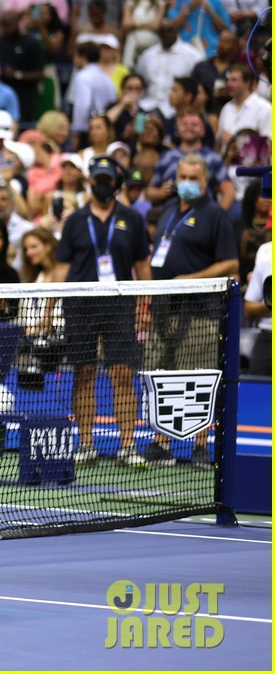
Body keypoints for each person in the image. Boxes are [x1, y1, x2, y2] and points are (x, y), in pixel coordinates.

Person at [52, 156, 151, 467]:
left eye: (108, 180)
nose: (103, 185)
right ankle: (85, 443)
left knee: (122, 374)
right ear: (90, 182)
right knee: (84, 373)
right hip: (79, 304)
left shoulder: (132, 219)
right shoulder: (76, 221)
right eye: (98, 180)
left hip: (120, 303)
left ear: (116, 184)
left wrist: (144, 304)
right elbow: (61, 267)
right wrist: (47, 309)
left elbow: (142, 266)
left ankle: (128, 445)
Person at [143, 155, 239, 467]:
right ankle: (161, 443)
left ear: (205, 181)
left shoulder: (215, 215)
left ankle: (200, 446)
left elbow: (231, 263)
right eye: (182, 176)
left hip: (199, 312)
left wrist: (190, 279)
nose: (186, 182)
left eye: (193, 178)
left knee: (198, 379)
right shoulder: (169, 209)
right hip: (164, 309)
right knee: (162, 376)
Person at [243, 241, 272, 376]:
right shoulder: (265, 252)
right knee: (253, 390)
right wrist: (269, 304)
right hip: (268, 335)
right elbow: (248, 308)